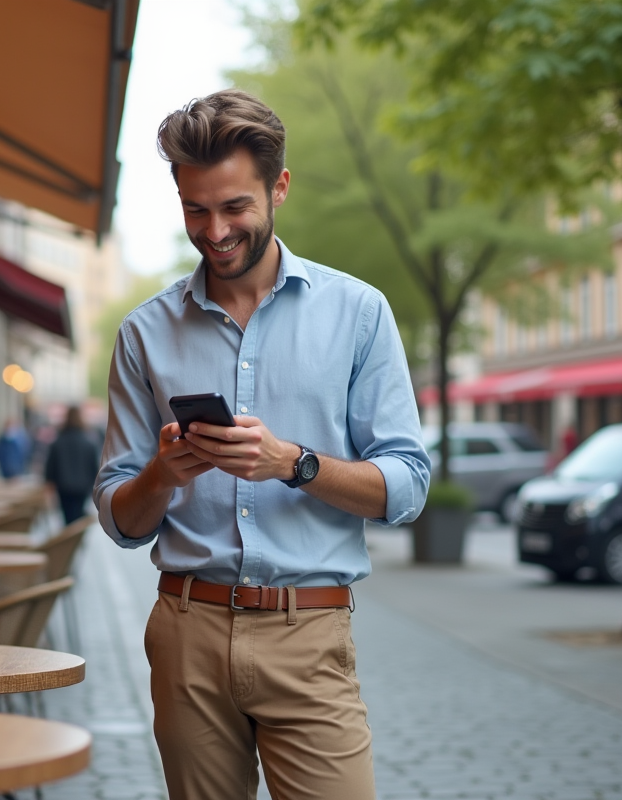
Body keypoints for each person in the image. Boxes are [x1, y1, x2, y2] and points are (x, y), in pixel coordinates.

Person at [93, 89, 430, 800]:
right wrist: (163, 474)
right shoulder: (144, 333)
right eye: (195, 209)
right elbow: (120, 521)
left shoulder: (359, 313)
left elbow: (406, 487)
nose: (214, 231)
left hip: (309, 631)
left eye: (234, 207)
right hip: (186, 632)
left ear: (279, 188)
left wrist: (294, 464)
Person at [44, 406, 100, 524]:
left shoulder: (58, 443)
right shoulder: (88, 443)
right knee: (78, 516)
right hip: (82, 487)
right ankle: (76, 534)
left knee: (67, 517)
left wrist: (49, 484)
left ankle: (69, 533)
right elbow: (94, 467)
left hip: (63, 487)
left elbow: (50, 467)